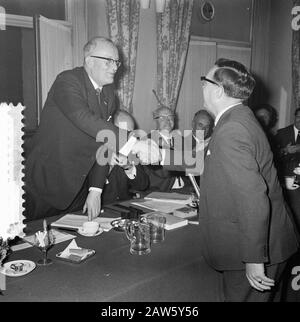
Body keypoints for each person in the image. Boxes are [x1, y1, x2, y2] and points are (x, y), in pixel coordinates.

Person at [198, 58, 299, 302]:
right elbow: (212, 157)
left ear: (219, 90)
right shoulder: (239, 117)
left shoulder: (232, 128)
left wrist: (254, 259)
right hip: (268, 242)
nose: (202, 86)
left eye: (205, 81)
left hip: (256, 249)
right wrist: (159, 154)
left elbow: (253, 197)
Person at [24, 37, 143, 221]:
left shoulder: (109, 94)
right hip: (44, 183)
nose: (115, 67)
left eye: (117, 62)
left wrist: (95, 189)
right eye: (109, 61)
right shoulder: (67, 81)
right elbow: (84, 119)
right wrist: (132, 144)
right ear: (89, 61)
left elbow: (103, 142)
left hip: (78, 186)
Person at [83, 110, 149, 217]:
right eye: (123, 132)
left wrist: (129, 167)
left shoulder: (130, 150)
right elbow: (83, 189)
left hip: (123, 211)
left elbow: (143, 185)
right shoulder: (92, 149)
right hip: (95, 212)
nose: (128, 138)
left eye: (130, 133)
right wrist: (107, 168)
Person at [144, 106, 192, 193]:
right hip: (161, 190)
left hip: (186, 187)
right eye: (162, 118)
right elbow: (157, 172)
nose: (168, 121)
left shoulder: (182, 140)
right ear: (155, 121)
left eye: (170, 117)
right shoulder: (148, 141)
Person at [274, 108, 300, 232]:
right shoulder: (282, 133)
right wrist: (285, 150)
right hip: (286, 180)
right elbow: (271, 156)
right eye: (299, 116)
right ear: (294, 117)